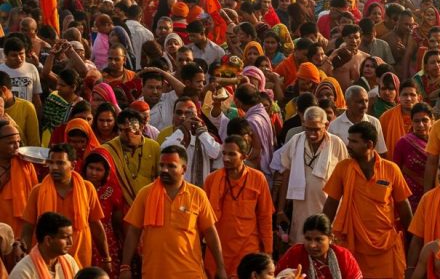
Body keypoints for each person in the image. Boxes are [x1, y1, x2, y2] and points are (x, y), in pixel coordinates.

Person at [119, 145, 228, 279]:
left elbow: (210, 233)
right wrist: (125, 266)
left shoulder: (197, 195)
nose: (164, 170)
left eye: (171, 166)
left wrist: (220, 267)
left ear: (184, 169)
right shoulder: (145, 193)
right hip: (154, 273)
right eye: (162, 165)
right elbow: (133, 231)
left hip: (190, 273)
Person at [322, 120, 413, 278]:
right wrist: (323, 232)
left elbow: (403, 206)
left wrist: (412, 240)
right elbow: (331, 203)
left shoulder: (391, 169)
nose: (348, 145)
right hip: (353, 244)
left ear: (369, 144)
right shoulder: (343, 168)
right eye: (349, 140)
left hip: (385, 246)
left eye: (354, 141)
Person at [20, 144, 109, 270]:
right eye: (51, 163)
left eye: (60, 163)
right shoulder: (38, 191)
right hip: (45, 261)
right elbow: (28, 229)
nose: (54, 167)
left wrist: (106, 257)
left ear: (73, 165)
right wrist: (25, 257)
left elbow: (96, 225)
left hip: (79, 259)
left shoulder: (87, 189)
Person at [273, 106, 348, 247]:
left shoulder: (337, 143)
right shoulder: (295, 141)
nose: (312, 134)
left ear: (326, 125)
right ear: (303, 125)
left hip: (329, 210)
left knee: (326, 246)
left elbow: (344, 178)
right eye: (308, 129)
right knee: (302, 246)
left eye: (316, 129)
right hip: (301, 210)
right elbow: (286, 173)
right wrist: (281, 209)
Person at [202, 135, 274, 278]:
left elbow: (265, 217)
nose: (226, 159)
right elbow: (203, 220)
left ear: (244, 156)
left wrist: (268, 252)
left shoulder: (258, 179)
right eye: (224, 153)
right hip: (218, 250)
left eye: (232, 154)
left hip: (247, 249)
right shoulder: (212, 180)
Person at [98, 109, 159, 205]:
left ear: (141, 127)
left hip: (147, 205)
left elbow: (160, 179)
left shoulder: (154, 147)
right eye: (121, 130)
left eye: (128, 130)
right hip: (118, 208)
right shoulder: (107, 150)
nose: (124, 134)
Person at [276, 214, 364, 279]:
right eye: (308, 239)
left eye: (318, 240)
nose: (312, 245)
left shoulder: (343, 256)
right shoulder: (295, 254)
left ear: (330, 238)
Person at [80, 151, 124, 275]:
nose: (93, 172)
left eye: (98, 170)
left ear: (106, 172)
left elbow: (117, 219)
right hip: (84, 237)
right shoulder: (77, 187)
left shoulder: (111, 191)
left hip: (106, 240)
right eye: (91, 168)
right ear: (85, 168)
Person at [8, 212, 79, 279]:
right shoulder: (23, 272)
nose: (70, 242)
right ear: (48, 240)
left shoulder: (69, 261)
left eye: (70, 236)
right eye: (65, 237)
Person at [0, 118, 38, 239]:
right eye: (11, 143)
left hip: (22, 226)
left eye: (18, 142)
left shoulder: (26, 165)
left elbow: (35, 195)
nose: (16, 146)